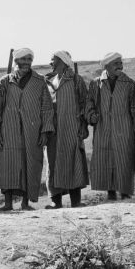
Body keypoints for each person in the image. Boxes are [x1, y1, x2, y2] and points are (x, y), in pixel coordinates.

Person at [0, 48, 54, 211]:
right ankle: (8, 203)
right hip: (8, 131)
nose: (26, 63)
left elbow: (46, 108)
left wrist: (45, 131)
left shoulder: (39, 82)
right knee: (7, 165)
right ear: (16, 61)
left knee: (31, 164)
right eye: (22, 59)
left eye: (29, 59)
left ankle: (26, 203)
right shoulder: (4, 82)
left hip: (33, 131)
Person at [86, 52, 135, 200]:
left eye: (120, 63)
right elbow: (89, 102)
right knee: (105, 159)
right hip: (103, 128)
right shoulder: (96, 83)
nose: (120, 66)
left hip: (124, 129)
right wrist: (92, 115)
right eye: (116, 63)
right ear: (106, 66)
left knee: (124, 159)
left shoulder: (129, 84)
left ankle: (125, 193)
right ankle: (110, 193)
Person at [44, 51, 89, 209]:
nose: (51, 63)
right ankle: (56, 202)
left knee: (73, 162)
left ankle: (76, 202)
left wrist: (83, 126)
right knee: (53, 164)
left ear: (63, 61)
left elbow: (84, 104)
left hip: (72, 129)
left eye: (53, 60)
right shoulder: (50, 82)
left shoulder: (76, 80)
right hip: (53, 132)